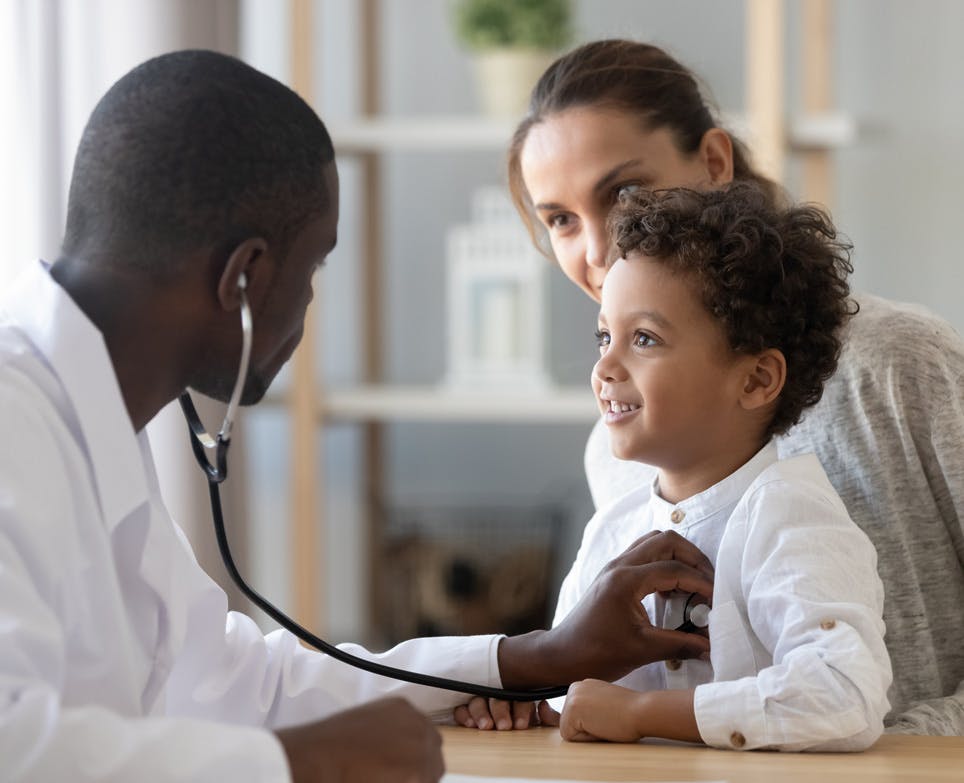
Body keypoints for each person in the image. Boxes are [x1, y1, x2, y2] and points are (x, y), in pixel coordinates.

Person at [0, 49, 719, 783]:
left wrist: (539, 656)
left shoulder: (86, 425)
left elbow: (242, 680)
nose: (310, 305)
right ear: (244, 279)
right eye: (312, 269)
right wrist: (295, 762)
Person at [455, 38, 964, 736]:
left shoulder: (902, 364)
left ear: (716, 163)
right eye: (561, 220)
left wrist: (900, 746)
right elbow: (624, 680)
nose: (599, 249)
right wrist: (537, 697)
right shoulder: (622, 450)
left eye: (625, 193)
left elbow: (827, 694)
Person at [561, 183, 891, 749]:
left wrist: (644, 712)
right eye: (603, 337)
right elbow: (571, 694)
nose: (605, 367)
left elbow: (846, 695)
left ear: (757, 380)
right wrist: (522, 705)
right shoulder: (611, 531)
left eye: (644, 338)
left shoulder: (791, 520)